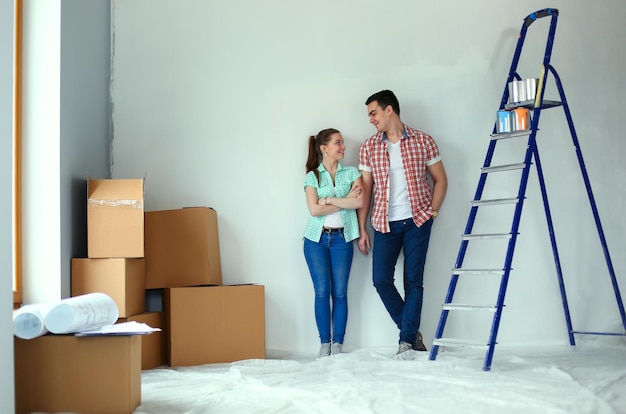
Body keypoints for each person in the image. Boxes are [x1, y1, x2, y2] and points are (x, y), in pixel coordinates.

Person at [357, 90, 448, 355]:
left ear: (389, 110)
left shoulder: (423, 141)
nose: (371, 119)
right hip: (384, 224)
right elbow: (366, 190)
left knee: (413, 282)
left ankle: (405, 341)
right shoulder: (369, 147)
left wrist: (433, 212)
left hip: (418, 220)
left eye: (373, 113)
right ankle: (410, 333)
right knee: (381, 280)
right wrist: (362, 228)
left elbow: (440, 179)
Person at [303, 128, 363, 357]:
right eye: (338, 143)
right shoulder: (312, 176)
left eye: (343, 142)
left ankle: (337, 344)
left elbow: (359, 202)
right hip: (315, 240)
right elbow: (314, 209)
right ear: (324, 148)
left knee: (340, 292)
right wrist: (345, 200)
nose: (343, 147)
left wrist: (328, 199)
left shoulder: (352, 173)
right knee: (322, 292)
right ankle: (324, 344)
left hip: (342, 239)